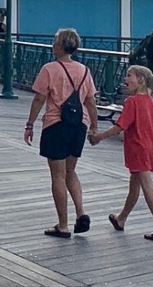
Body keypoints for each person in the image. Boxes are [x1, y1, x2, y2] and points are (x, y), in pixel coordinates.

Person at [24, 28, 99, 239]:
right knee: (70, 171)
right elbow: (91, 102)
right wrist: (94, 128)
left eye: (55, 41)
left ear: (60, 45)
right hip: (79, 125)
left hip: (56, 124)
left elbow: (39, 98)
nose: (52, 44)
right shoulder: (84, 70)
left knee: (57, 174)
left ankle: (63, 225)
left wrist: (29, 124)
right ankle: (81, 212)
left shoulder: (50, 69)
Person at [89, 65, 153, 242]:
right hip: (150, 149)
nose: (125, 79)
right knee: (134, 186)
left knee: (147, 188)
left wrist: (99, 137)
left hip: (138, 149)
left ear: (141, 80)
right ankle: (121, 219)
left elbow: (120, 126)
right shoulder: (152, 102)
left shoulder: (132, 102)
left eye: (129, 75)